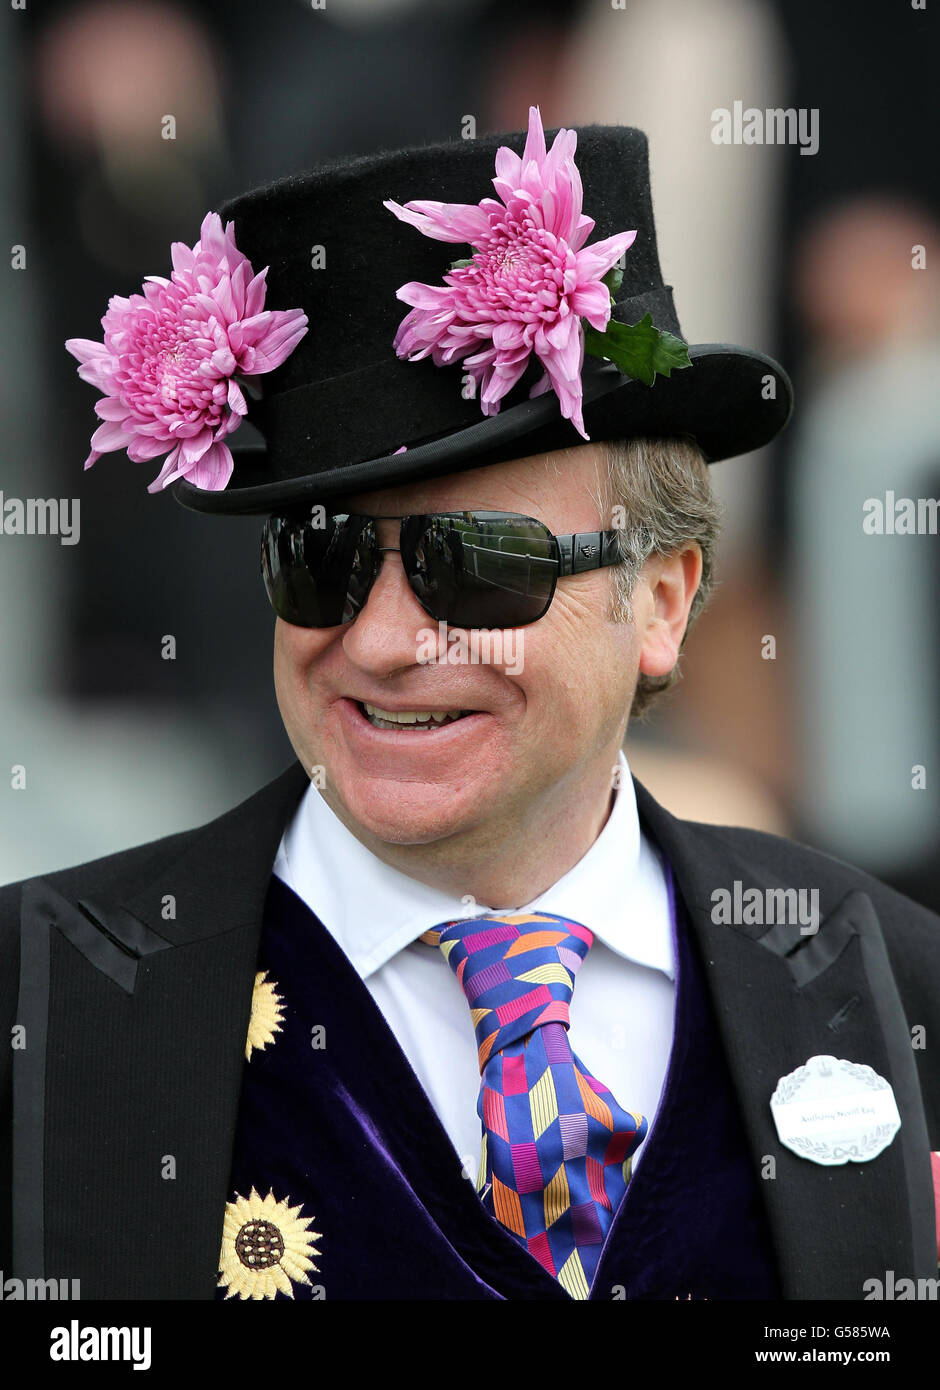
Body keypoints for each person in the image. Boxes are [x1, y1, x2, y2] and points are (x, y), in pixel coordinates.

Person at [1, 109, 937, 1303]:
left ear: (660, 602)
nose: (385, 641)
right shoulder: (34, 1007)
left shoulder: (899, 991)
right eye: (321, 556)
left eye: (478, 563)